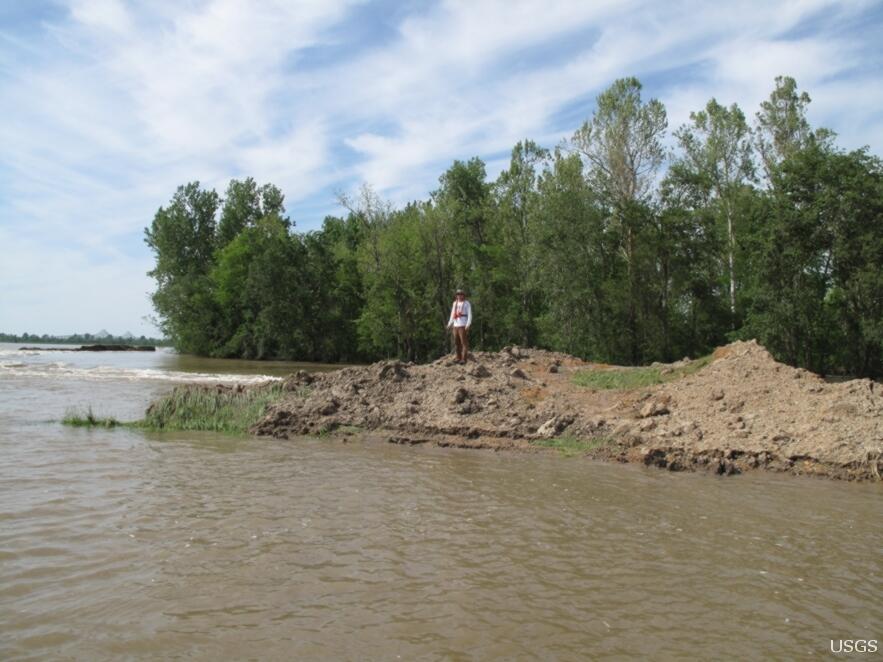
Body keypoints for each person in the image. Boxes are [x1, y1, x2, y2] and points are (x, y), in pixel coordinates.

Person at [446, 288, 472, 363]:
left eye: (461, 294)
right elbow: (452, 314)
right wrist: (449, 323)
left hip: (463, 324)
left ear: (463, 295)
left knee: (463, 342)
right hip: (456, 325)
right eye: (458, 294)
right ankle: (458, 357)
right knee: (456, 342)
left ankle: (464, 359)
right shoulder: (455, 303)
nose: (459, 296)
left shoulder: (467, 303)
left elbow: (470, 315)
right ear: (456, 296)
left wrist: (468, 324)